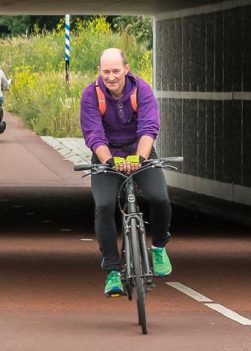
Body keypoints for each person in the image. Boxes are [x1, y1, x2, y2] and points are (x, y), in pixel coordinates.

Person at [80, 48, 173, 296]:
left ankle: (160, 247)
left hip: (139, 153)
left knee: (160, 198)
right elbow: (93, 133)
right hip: (107, 157)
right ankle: (112, 270)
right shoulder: (91, 94)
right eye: (106, 71)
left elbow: (149, 127)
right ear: (100, 71)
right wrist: (109, 161)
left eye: (116, 71)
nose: (111, 77)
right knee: (104, 206)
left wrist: (140, 158)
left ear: (126, 69)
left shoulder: (142, 90)